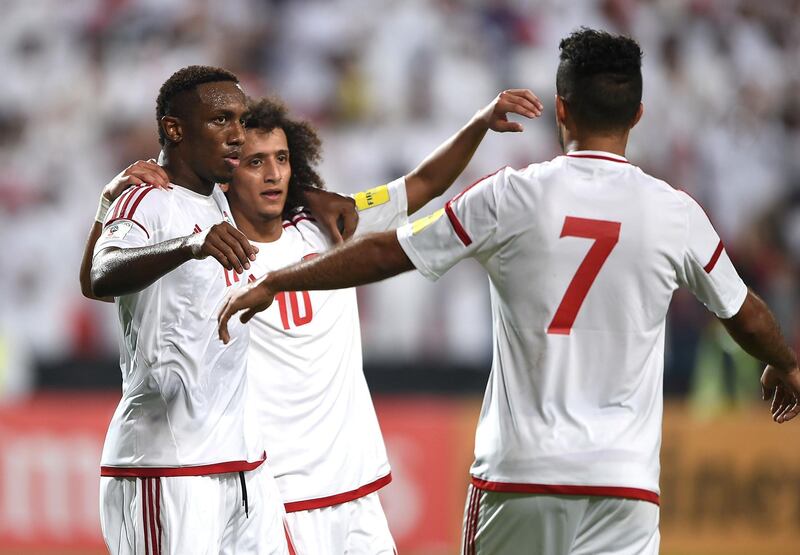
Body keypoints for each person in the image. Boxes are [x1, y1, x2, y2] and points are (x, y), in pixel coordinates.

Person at [217, 29, 800, 555]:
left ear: (561, 109)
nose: (273, 172)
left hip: (521, 474)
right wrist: (783, 363)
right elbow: (745, 315)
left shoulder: (513, 195)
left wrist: (279, 278)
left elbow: (390, 246)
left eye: (281, 160)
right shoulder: (677, 213)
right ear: (639, 113)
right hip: (625, 482)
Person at [94, 88, 542, 554]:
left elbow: (421, 184)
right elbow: (108, 277)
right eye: (254, 162)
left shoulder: (329, 225)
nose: (273, 175)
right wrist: (112, 201)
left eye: (283, 159)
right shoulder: (207, 247)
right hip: (275, 493)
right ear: (226, 172)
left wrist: (480, 121)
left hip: (355, 486)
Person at [85, 65, 294, 555]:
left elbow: (90, 283)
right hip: (168, 464)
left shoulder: (220, 199)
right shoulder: (147, 199)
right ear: (175, 129)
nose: (237, 135)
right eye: (221, 120)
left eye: (241, 120)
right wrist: (191, 244)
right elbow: (102, 274)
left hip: (243, 466)